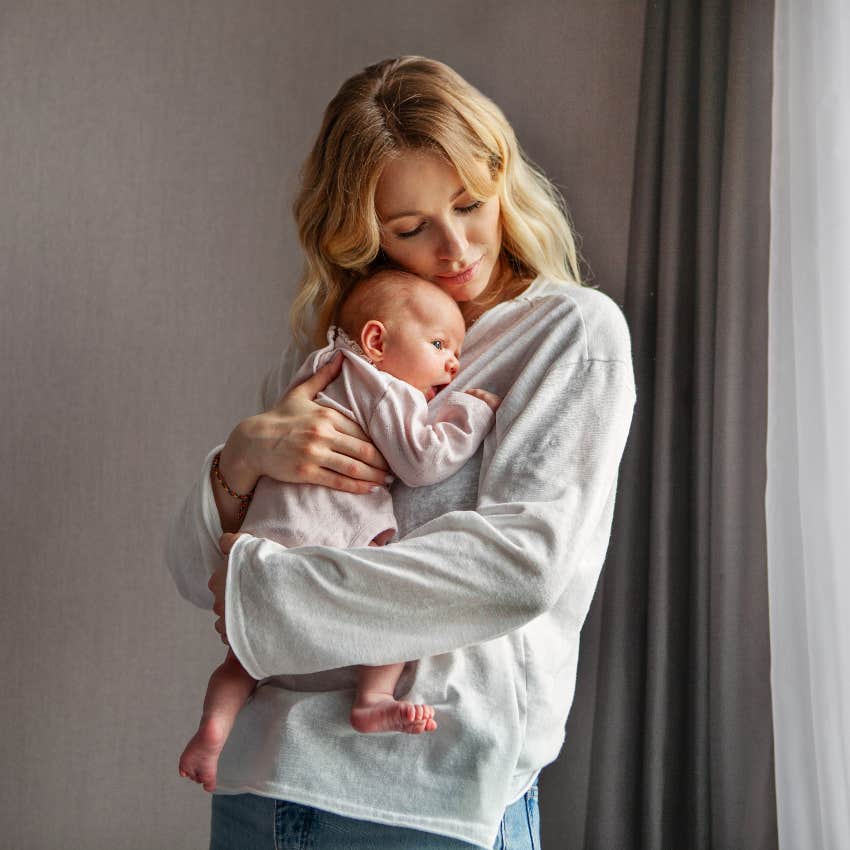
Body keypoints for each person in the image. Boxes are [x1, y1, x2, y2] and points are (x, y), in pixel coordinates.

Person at [166, 55, 635, 849]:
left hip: (423, 799)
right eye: (411, 228)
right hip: (256, 786)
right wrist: (239, 460)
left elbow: (519, 566)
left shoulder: (570, 334)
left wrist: (269, 593)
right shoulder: (342, 351)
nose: (455, 247)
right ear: (363, 234)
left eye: (470, 204)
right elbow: (199, 579)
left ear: (502, 176)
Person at [178, 269, 502, 793]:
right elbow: (422, 460)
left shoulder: (317, 367)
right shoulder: (386, 388)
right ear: (377, 342)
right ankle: (373, 699)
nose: (453, 364)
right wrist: (472, 413)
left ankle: (212, 731)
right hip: (333, 534)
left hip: (269, 538)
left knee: (243, 661)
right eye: (440, 344)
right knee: (395, 617)